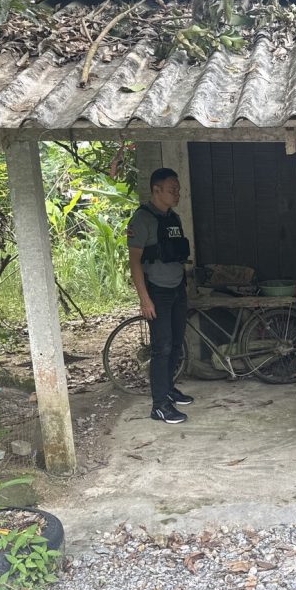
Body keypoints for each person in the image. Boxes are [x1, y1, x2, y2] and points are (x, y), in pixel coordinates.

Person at [127, 168, 195, 424]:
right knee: (162, 347)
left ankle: (168, 389)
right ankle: (159, 406)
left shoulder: (173, 218)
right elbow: (134, 262)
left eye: (178, 190)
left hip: (177, 288)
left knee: (176, 343)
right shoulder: (141, 220)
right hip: (157, 291)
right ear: (156, 190)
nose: (177, 194)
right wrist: (144, 299)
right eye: (172, 190)